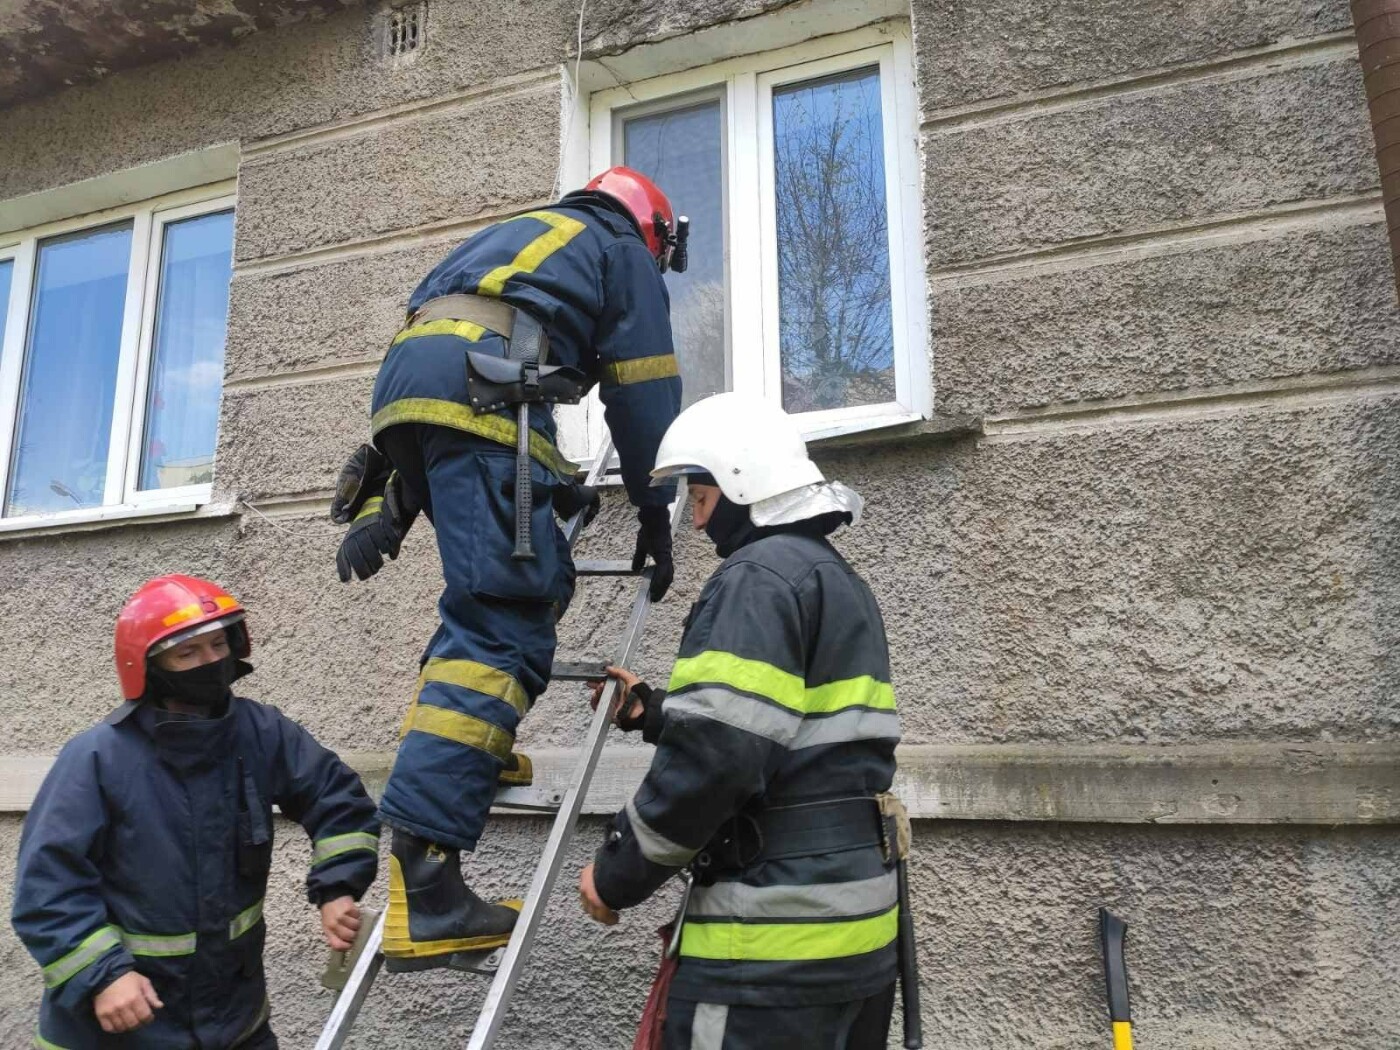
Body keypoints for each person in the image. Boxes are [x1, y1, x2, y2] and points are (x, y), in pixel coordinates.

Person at [329, 167, 686, 970]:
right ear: (654, 229)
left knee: (518, 585)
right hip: (483, 398)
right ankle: (428, 892)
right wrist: (655, 506)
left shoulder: (518, 236)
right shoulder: (616, 244)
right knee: (502, 622)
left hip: (418, 398)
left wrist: (394, 492)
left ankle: (476, 751)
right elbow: (643, 388)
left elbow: (435, 353)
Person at [578, 393, 905, 1049]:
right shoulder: (837, 581)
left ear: (740, 484)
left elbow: (718, 761)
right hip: (857, 937)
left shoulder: (756, 577)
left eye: (699, 501)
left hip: (769, 950)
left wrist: (617, 872)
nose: (697, 526)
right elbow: (793, 739)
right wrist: (654, 712)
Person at [12, 575, 380, 1049]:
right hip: (117, 1027)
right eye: (187, 653)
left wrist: (338, 887)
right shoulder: (97, 758)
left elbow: (338, 800)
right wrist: (102, 976)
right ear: (149, 668)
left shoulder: (261, 732)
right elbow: (46, 890)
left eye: (216, 645)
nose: (209, 662)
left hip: (235, 1024)